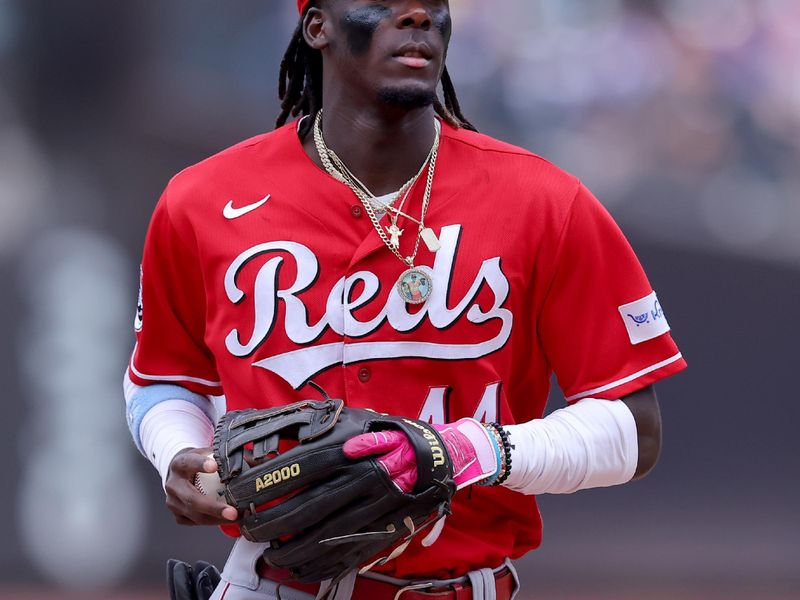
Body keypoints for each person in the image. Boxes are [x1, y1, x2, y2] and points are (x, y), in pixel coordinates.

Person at [124, 1, 687, 599]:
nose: (416, 15)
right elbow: (162, 379)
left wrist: (465, 452)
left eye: (433, 5)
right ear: (317, 26)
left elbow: (633, 432)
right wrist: (177, 454)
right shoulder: (203, 200)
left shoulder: (546, 202)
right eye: (382, 2)